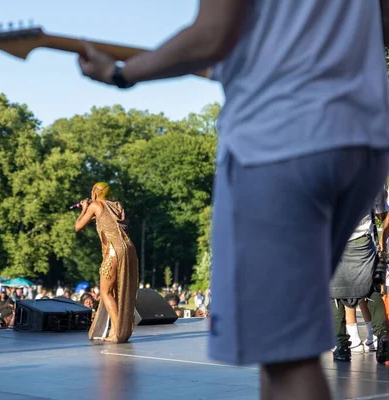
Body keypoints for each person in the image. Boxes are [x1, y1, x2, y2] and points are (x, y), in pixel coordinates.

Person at [76, 1, 389, 399]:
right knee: (283, 347)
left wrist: (120, 73)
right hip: (363, 138)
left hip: (283, 141)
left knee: (285, 358)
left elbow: (212, 34)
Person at [331, 184, 389, 363]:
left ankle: (342, 347)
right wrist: (381, 241)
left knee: (335, 294)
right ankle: (383, 339)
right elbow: (384, 214)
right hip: (363, 244)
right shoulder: (372, 180)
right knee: (371, 289)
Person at [74, 182, 139, 343]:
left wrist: (84, 208)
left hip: (113, 250)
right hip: (128, 248)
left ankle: (118, 332)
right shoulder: (116, 206)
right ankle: (117, 331)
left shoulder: (95, 204)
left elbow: (78, 226)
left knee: (105, 292)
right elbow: (105, 219)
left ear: (95, 193)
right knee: (117, 290)